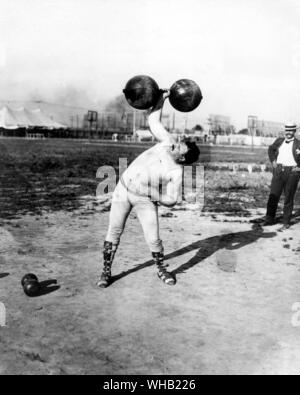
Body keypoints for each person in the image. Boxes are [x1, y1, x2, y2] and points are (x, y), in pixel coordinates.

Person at [97, 91, 200, 288]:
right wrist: (163, 99)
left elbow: (171, 199)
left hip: (145, 199)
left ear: (184, 158)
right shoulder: (167, 141)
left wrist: (151, 193)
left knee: (153, 238)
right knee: (114, 231)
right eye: (178, 143)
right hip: (123, 190)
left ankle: (161, 269)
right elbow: (154, 121)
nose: (175, 145)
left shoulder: (176, 172)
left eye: (180, 148)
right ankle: (106, 271)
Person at [264, 123, 300, 230]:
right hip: (279, 171)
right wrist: (273, 161)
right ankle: (269, 219)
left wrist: (299, 167)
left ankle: (286, 221)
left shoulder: (299, 144)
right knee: (273, 195)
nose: (288, 132)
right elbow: (271, 149)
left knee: (288, 197)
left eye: (291, 130)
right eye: (287, 130)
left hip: (292, 172)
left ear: (294, 131)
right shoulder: (279, 141)